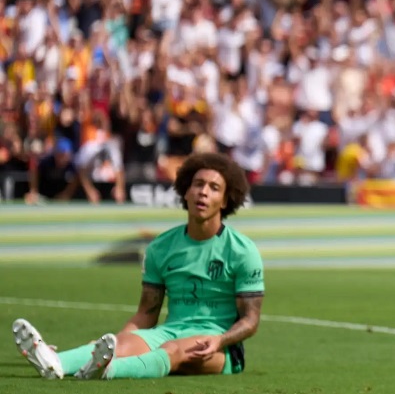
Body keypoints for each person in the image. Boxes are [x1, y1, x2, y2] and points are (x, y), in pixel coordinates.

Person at [13, 152, 264, 380]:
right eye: (198, 184)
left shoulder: (242, 251)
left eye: (214, 188)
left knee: (172, 350)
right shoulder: (161, 247)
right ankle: (55, 361)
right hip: (169, 331)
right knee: (124, 345)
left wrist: (220, 339)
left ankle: (110, 370)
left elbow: (250, 321)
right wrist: (115, 342)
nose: (203, 192)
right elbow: (146, 314)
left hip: (220, 346)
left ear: (225, 200)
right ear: (186, 192)